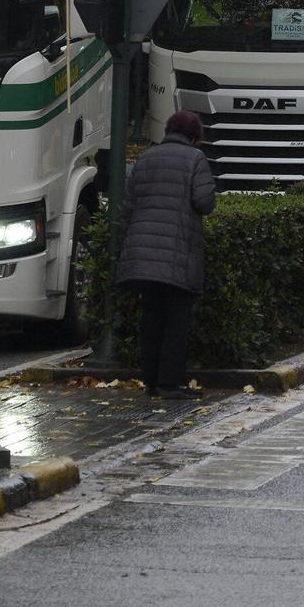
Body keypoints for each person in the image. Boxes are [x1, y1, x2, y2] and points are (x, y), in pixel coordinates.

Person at [115, 110, 217, 399]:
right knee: (176, 321)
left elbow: (128, 205)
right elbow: (204, 201)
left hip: (143, 256)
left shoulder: (146, 158)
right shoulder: (196, 160)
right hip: (176, 253)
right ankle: (171, 383)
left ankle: (150, 381)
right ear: (195, 136)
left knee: (152, 319)